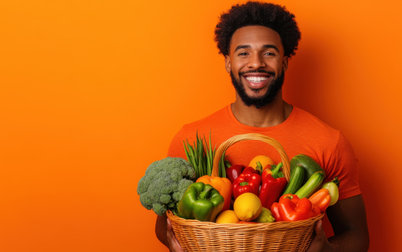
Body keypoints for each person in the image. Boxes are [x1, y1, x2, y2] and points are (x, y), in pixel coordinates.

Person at [155, 1, 369, 251]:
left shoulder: (328, 142)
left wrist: (326, 251)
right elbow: (165, 224)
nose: (256, 63)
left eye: (269, 53)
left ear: (285, 61)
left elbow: (357, 237)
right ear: (228, 62)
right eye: (243, 53)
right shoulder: (190, 139)